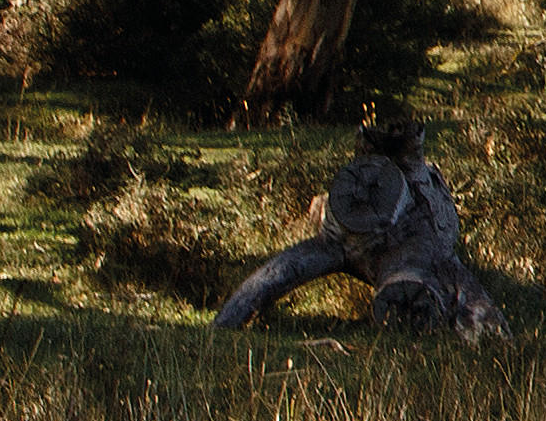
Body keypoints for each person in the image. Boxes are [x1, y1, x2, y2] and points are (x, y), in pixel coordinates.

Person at [212, 111, 506, 338]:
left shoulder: (421, 220)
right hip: (356, 223)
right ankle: (225, 325)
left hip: (402, 237)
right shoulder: (357, 211)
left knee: (412, 288)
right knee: (277, 276)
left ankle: (225, 325)